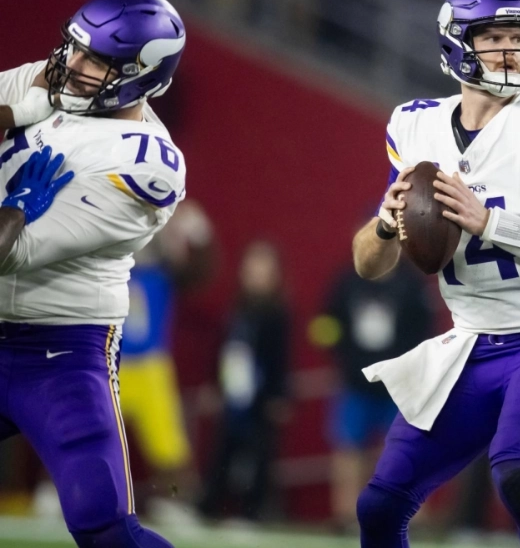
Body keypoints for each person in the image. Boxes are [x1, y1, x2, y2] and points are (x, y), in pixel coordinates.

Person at [351, 0, 520, 548]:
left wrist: (490, 222)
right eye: (494, 37)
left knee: (516, 473)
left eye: (518, 36)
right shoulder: (415, 126)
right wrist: (386, 225)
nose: (510, 49)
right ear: (457, 44)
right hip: (471, 344)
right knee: (378, 505)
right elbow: (370, 264)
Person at [0, 0, 187, 547]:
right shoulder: (52, 81)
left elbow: (8, 252)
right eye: (73, 48)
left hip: (58, 353)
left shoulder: (143, 165)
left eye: (97, 61)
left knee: (102, 526)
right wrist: (18, 108)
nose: (70, 66)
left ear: (142, 75)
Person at [310, 260, 432, 530]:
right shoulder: (347, 281)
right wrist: (344, 358)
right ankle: (346, 515)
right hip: (356, 381)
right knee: (349, 449)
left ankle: (410, 514)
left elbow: (424, 328)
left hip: (398, 384)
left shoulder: (411, 284)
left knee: (405, 450)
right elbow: (329, 320)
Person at [118, 200, 215, 521]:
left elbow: (200, 271)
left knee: (169, 446)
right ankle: (60, 492)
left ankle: (175, 502)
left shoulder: (164, 274)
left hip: (149, 367)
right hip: (107, 362)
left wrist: (199, 237)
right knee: (81, 432)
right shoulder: (107, 267)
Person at [198, 240, 291, 522]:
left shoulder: (278, 314)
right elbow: (223, 349)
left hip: (260, 397)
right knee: (224, 449)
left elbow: (281, 358)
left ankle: (254, 511)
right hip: (234, 393)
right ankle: (210, 506)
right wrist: (215, 384)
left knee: (260, 455)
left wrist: (279, 395)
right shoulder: (237, 307)